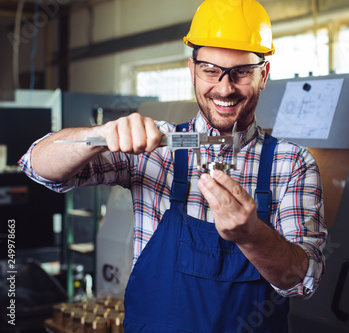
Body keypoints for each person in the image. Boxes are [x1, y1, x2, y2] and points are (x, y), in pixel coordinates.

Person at [19, 0, 327, 331]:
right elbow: (37, 166)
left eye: (240, 73)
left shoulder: (293, 163)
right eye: (210, 70)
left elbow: (302, 280)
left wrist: (252, 236)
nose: (224, 88)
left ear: (263, 75)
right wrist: (99, 135)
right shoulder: (153, 148)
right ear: (192, 69)